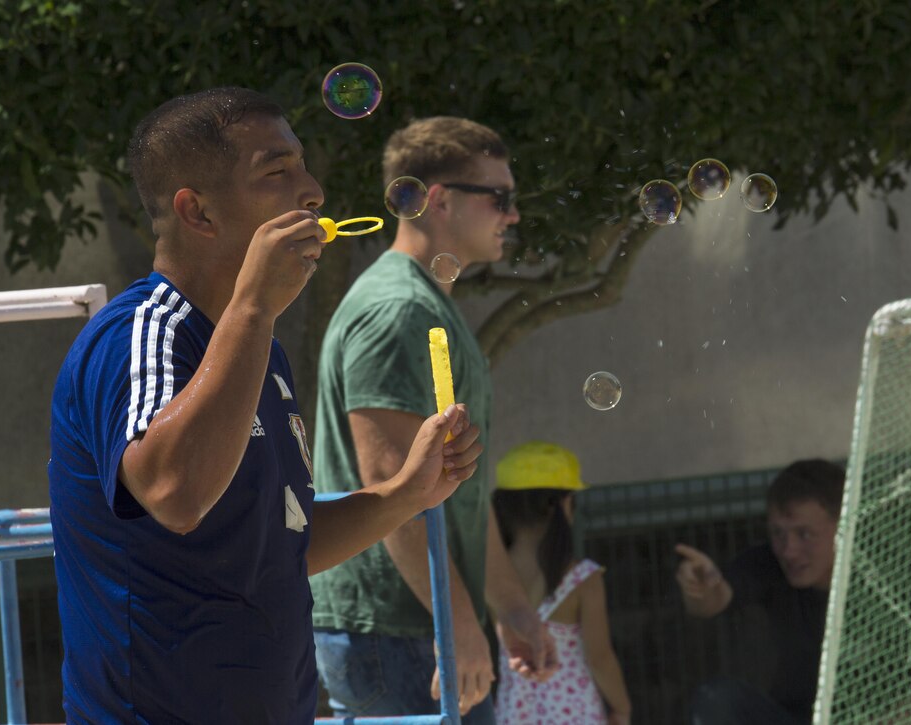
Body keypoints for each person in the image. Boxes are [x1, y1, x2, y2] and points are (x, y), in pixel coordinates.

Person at [47, 87, 483, 723]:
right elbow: (174, 493)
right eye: (277, 172)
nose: (313, 191)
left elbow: (278, 547)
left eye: (303, 166)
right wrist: (253, 305)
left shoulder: (260, 347)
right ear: (197, 211)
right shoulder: (142, 332)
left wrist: (404, 495)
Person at [310, 116, 556, 723]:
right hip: (395, 633)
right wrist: (457, 626)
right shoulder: (397, 309)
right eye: (499, 197)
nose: (513, 215)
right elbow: (394, 490)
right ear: (440, 200)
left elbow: (456, 490)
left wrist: (511, 609)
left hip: (417, 627)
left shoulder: (425, 302)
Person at [674, 458, 844, 725]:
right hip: (794, 718)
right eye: (778, 534)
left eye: (804, 534)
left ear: (843, 528)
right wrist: (701, 588)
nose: (789, 550)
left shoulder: (882, 578)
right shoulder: (767, 563)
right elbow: (718, 597)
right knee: (716, 698)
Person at [491, 441, 632, 725]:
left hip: (512, 714)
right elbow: (600, 658)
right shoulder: (583, 578)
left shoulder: (492, 578)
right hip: (576, 714)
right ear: (565, 504)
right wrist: (622, 708)